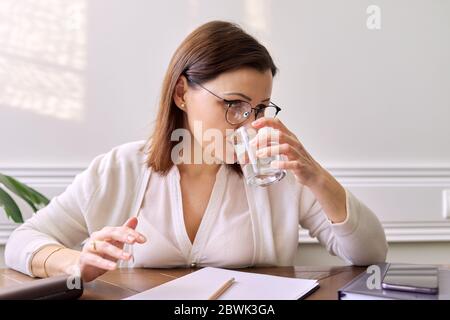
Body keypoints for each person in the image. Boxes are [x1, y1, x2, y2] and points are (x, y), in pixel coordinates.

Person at [5, 21, 387, 282]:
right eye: (234, 104)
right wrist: (76, 262)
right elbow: (23, 243)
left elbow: (370, 255)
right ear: (182, 93)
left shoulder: (280, 173)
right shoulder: (119, 169)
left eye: (259, 108)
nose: (248, 122)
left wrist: (317, 176)